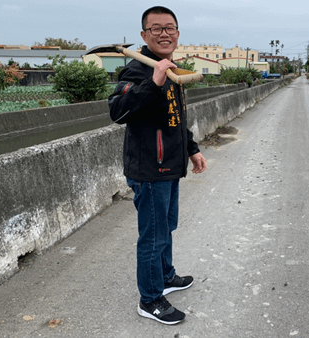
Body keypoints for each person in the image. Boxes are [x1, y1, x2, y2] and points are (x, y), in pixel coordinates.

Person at [108, 6, 207, 325]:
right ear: (143, 36)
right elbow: (118, 112)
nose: (165, 33)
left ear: (178, 33)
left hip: (171, 167)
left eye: (170, 28)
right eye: (156, 29)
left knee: (166, 229)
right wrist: (153, 81)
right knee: (153, 236)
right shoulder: (136, 71)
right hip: (149, 171)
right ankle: (149, 298)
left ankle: (165, 276)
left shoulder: (172, 70)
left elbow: (176, 120)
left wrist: (192, 149)